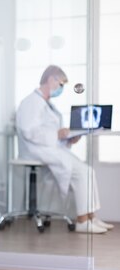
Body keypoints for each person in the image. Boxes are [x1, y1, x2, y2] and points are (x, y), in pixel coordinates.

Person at [16, 65, 113, 234]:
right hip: (34, 150)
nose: (61, 88)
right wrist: (57, 134)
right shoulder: (31, 102)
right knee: (82, 172)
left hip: (49, 148)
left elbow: (52, 134)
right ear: (51, 79)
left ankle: (91, 217)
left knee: (88, 171)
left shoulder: (48, 104)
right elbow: (28, 131)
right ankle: (82, 221)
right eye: (61, 84)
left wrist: (68, 139)